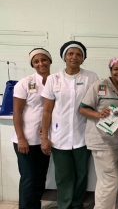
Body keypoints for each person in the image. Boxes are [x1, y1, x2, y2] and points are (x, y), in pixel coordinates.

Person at [40, 41, 99, 209]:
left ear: (83, 58)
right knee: (63, 175)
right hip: (59, 136)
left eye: (78, 54)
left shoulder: (91, 77)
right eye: (70, 54)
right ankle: (64, 205)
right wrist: (45, 137)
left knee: (81, 174)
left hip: (83, 135)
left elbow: (97, 103)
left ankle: (76, 204)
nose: (74, 57)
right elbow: (47, 111)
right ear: (64, 57)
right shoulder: (53, 79)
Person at [79, 57, 118, 209]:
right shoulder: (99, 86)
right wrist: (99, 114)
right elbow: (83, 109)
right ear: (110, 70)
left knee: (113, 181)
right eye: (116, 69)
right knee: (109, 181)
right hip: (101, 142)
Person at [12, 48, 52, 209]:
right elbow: (17, 111)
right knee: (28, 177)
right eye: (36, 61)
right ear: (32, 65)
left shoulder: (56, 81)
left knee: (40, 177)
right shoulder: (25, 82)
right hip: (25, 140)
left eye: (44, 59)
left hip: (45, 139)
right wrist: (21, 138)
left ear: (50, 61)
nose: (41, 63)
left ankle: (34, 206)